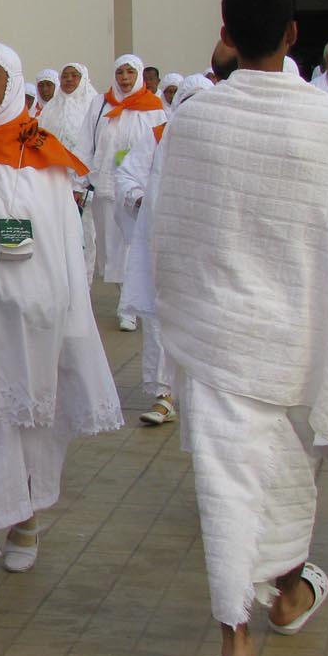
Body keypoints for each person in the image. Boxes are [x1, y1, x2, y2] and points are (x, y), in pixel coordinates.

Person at [152, 0, 328, 656]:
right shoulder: (321, 119)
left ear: (225, 33)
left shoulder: (194, 117)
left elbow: (172, 233)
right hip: (291, 338)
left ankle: (245, 635)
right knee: (264, 480)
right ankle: (265, 610)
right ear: (291, 36)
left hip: (218, 332)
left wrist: (183, 310)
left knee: (229, 487)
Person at [0, 42, 122, 612]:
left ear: (10, 85)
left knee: (28, 422)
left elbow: (62, 237)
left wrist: (66, 309)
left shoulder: (39, 152)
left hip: (28, 316)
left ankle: (27, 519)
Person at [115, 73, 213, 427]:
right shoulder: (157, 137)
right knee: (159, 319)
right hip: (164, 246)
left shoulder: (223, 142)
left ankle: (205, 396)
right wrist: (139, 199)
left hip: (210, 253)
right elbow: (126, 175)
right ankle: (164, 395)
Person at [89, 55, 166, 330]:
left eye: (130, 72)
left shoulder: (154, 109)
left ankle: (129, 310)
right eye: (120, 72)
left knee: (134, 244)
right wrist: (80, 181)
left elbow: (161, 144)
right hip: (107, 186)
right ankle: (126, 297)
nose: (124, 78)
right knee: (112, 248)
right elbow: (88, 141)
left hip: (139, 189)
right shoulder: (100, 104)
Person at [35, 62, 101, 283]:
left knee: (84, 237)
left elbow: (93, 148)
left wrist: (80, 184)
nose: (69, 80)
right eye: (65, 76)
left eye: (74, 76)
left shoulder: (93, 107)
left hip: (82, 185)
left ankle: (85, 283)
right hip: (53, 182)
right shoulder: (51, 108)